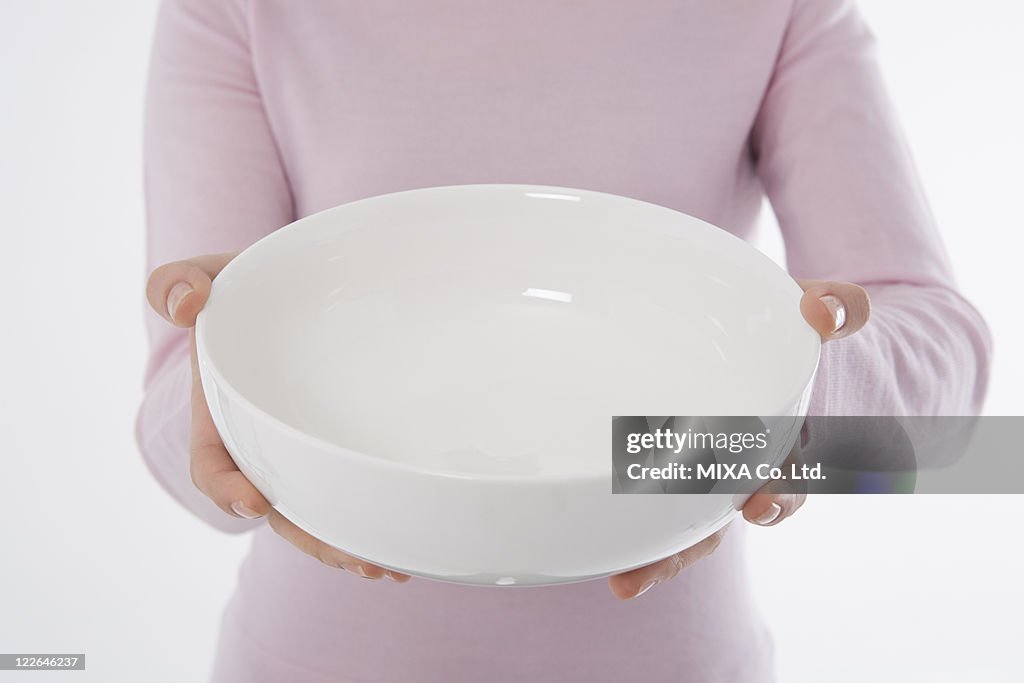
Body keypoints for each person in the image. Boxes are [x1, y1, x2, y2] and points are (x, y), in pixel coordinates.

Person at [136, 1, 991, 680]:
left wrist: (764, 432)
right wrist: (225, 390)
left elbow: (951, 427)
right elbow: (177, 443)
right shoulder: (235, 7)